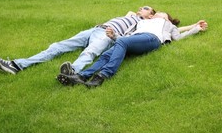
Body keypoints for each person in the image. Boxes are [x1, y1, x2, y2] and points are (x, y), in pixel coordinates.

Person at [57, 12, 208, 88]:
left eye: (160, 13)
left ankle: (103, 75)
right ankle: (81, 77)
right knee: (105, 56)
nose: (155, 15)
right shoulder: (141, 23)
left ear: (167, 18)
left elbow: (178, 37)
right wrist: (114, 35)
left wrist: (196, 28)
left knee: (120, 43)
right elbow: (126, 37)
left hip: (151, 39)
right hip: (133, 40)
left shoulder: (168, 25)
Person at [0, 6, 156, 75]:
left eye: (146, 8)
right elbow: (129, 12)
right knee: (58, 46)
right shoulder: (131, 15)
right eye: (141, 6)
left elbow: (131, 40)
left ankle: (73, 71)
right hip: (95, 29)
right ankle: (16, 65)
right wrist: (136, 13)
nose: (141, 8)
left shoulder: (146, 24)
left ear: (152, 15)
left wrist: (114, 37)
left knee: (90, 52)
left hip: (108, 35)